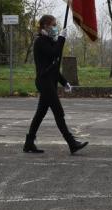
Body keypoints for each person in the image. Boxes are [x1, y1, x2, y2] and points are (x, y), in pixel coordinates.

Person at [23, 15, 88, 154]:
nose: (55, 27)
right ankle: (71, 143)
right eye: (53, 24)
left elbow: (54, 66)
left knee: (40, 113)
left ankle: (29, 143)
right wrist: (61, 38)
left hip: (49, 82)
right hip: (44, 82)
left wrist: (64, 82)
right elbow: (54, 54)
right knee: (58, 112)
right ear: (45, 25)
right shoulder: (40, 41)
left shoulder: (49, 41)